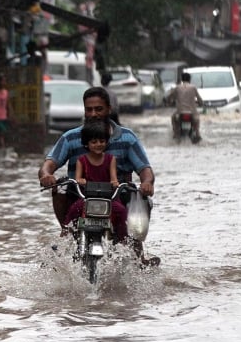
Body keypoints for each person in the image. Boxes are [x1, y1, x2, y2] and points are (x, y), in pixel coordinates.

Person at [37, 86, 158, 264]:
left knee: (139, 202)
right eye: (89, 109)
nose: (93, 114)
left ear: (109, 109)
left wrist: (147, 182)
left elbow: (145, 170)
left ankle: (136, 252)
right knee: (60, 189)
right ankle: (66, 234)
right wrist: (46, 175)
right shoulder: (71, 137)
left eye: (99, 109)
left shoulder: (127, 138)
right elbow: (48, 165)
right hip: (80, 196)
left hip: (117, 196)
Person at [63, 120, 128, 241]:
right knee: (73, 209)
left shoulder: (110, 159)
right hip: (87, 199)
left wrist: (115, 183)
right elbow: (77, 179)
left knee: (122, 211)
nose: (98, 144)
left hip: (108, 199)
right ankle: (65, 234)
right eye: (94, 142)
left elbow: (113, 178)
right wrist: (80, 181)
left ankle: (122, 239)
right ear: (86, 143)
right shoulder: (81, 160)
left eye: (102, 141)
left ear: (107, 142)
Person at [167, 72, 202, 142]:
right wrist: (201, 103)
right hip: (192, 112)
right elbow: (199, 99)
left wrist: (169, 102)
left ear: (182, 79)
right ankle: (197, 134)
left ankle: (176, 133)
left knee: (173, 118)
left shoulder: (177, 87)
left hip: (180, 113)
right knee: (197, 120)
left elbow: (169, 97)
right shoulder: (193, 87)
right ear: (190, 79)